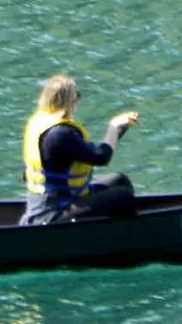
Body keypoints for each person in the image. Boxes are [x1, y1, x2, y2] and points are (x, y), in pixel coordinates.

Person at [20, 73, 139, 225]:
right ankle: (127, 236)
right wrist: (113, 127)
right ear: (69, 102)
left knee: (119, 180)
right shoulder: (61, 134)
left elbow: (88, 153)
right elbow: (102, 157)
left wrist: (119, 130)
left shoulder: (40, 125)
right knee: (124, 196)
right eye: (76, 97)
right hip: (53, 214)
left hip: (42, 205)